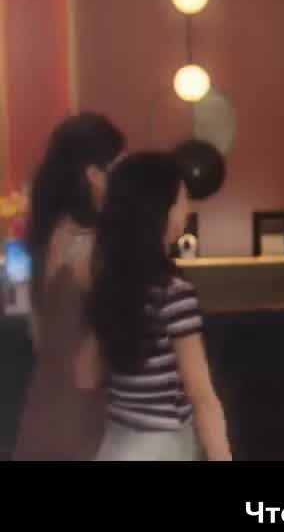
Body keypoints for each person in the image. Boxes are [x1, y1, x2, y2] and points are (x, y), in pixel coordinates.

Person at [83, 151, 231, 461]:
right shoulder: (173, 294)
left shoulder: (109, 284)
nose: (188, 208)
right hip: (162, 446)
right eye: (183, 199)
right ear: (161, 211)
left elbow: (84, 375)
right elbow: (201, 397)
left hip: (116, 443)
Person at [12, 112, 125, 461]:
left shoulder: (46, 239)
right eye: (117, 168)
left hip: (41, 412)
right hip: (86, 419)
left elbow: (39, 335)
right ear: (93, 174)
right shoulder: (97, 246)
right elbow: (99, 359)